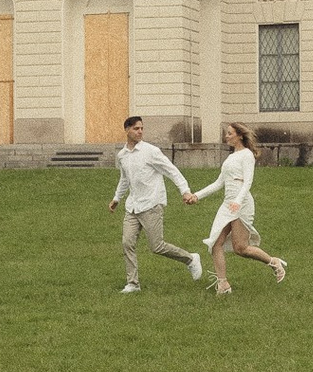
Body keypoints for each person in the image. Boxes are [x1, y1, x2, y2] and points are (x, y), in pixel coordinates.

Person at [186, 122, 288, 295]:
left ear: (240, 135)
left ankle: (274, 262)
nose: (226, 136)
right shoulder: (230, 157)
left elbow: (247, 182)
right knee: (215, 243)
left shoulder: (247, 155)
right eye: (226, 133)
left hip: (242, 205)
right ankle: (223, 285)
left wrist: (238, 202)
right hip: (228, 205)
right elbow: (218, 183)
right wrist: (196, 195)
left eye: (230, 133)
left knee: (240, 248)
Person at [109, 116, 201, 293]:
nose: (140, 132)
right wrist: (116, 198)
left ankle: (190, 258)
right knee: (127, 243)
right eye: (136, 128)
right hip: (132, 207)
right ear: (127, 130)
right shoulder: (122, 155)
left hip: (151, 204)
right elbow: (124, 179)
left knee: (157, 246)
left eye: (142, 128)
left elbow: (171, 170)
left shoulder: (151, 151)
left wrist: (185, 190)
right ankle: (133, 284)